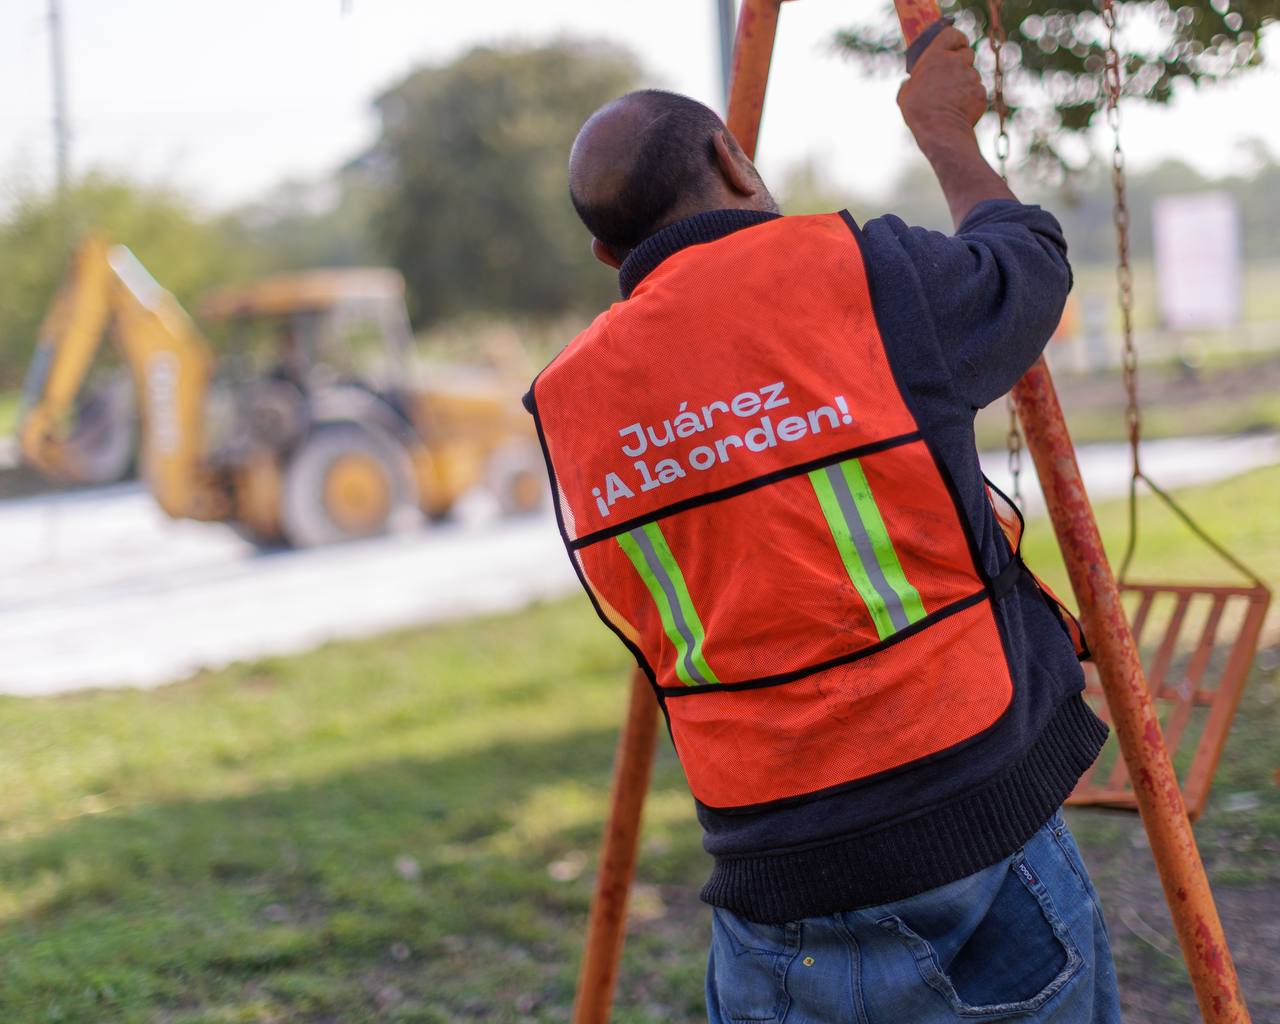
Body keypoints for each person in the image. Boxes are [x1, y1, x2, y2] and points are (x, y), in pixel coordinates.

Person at [526, 26, 1121, 1023]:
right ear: (730, 157)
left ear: (604, 252)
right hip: (965, 839)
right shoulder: (852, 272)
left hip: (764, 891)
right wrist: (941, 134)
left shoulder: (567, 401)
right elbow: (1025, 263)